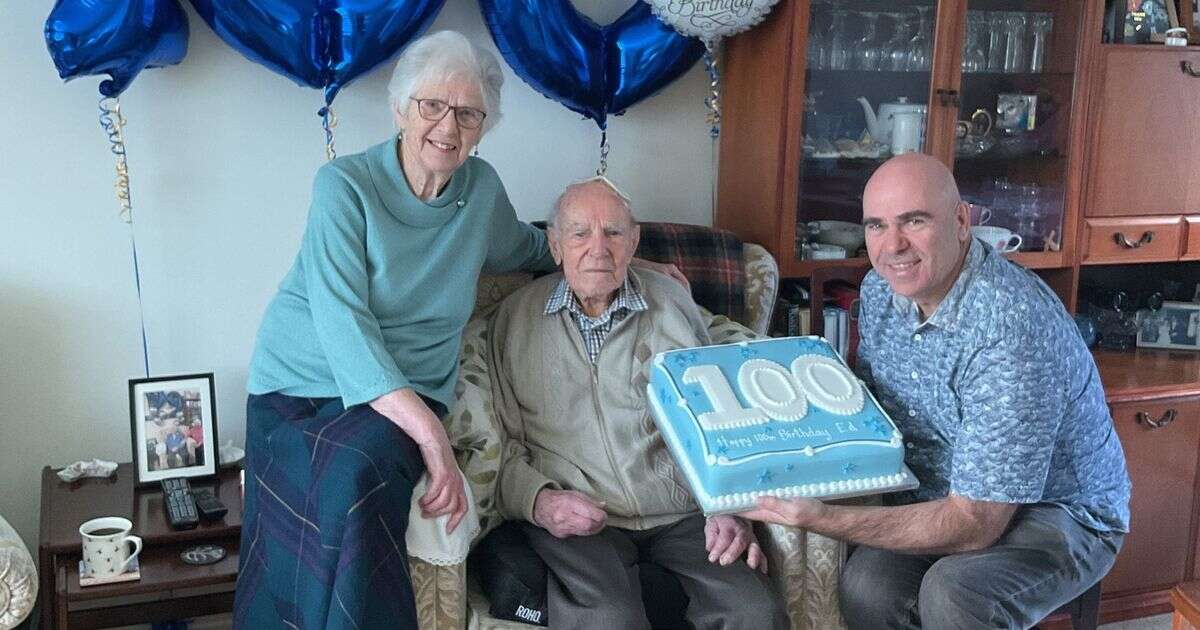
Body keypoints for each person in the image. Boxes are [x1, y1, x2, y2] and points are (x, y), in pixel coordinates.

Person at [234, 31, 685, 629]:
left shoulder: (479, 192)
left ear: (482, 126)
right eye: (432, 106)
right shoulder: (343, 187)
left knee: (359, 473)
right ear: (400, 109)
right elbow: (344, 325)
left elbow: (532, 246)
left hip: (397, 398)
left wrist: (625, 259)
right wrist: (433, 439)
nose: (448, 125)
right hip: (297, 387)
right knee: (326, 492)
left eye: (468, 113)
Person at [740, 154, 1131, 629]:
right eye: (876, 226)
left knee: (956, 592)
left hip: (1059, 509)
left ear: (961, 221)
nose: (893, 246)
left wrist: (822, 516)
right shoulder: (883, 292)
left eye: (914, 221)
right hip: (945, 490)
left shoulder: (1009, 329)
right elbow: (870, 408)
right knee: (867, 585)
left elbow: (975, 522)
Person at [489, 177, 788, 630]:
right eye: (579, 233)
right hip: (581, 513)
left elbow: (718, 421)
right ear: (554, 245)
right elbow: (503, 444)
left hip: (682, 513)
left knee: (755, 611)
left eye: (612, 232)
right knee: (610, 620)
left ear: (633, 242)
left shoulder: (670, 302)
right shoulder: (515, 318)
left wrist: (725, 506)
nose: (598, 248)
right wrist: (539, 501)